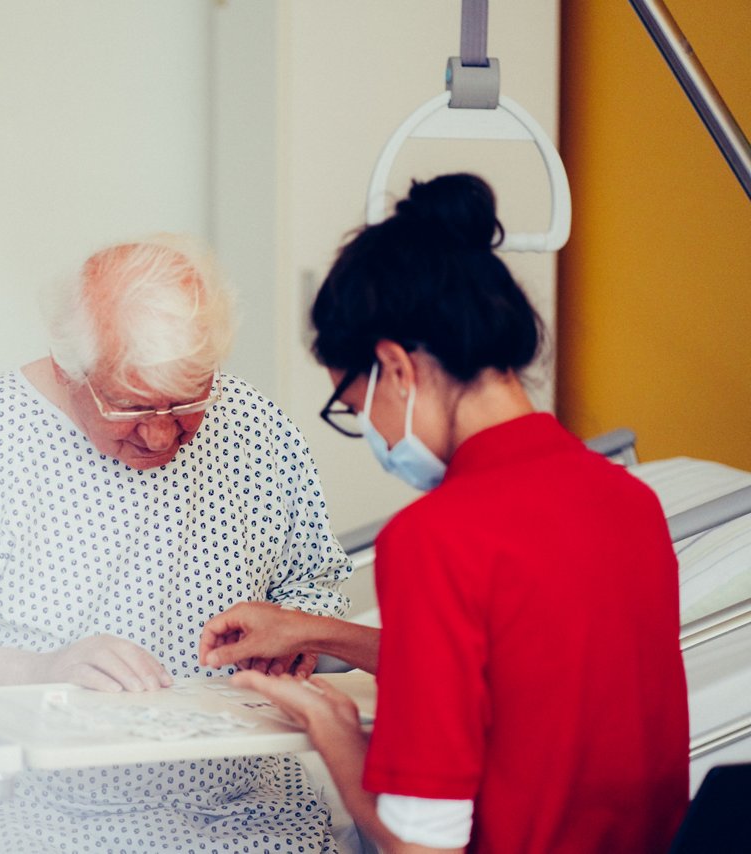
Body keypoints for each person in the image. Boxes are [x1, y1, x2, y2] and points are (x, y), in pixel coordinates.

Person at [199, 174, 690, 853]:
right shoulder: (628, 503)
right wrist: (312, 630)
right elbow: (516, 670)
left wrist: (334, 732)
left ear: (395, 367)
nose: (367, 428)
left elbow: (422, 848)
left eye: (352, 407)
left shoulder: (437, 538)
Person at [0, 234, 355, 853]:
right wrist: (42, 668)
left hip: (242, 805)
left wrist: (292, 645)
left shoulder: (256, 426)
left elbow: (315, 590)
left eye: (187, 402)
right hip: (43, 810)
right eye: (131, 405)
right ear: (70, 372)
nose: (160, 434)